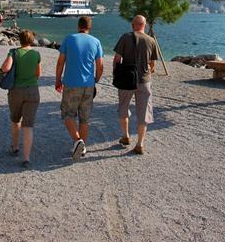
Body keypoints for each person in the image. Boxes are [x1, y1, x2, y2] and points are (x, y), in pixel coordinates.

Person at [55, 16, 104, 161]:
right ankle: (82, 149)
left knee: (67, 114)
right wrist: (96, 79)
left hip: (71, 83)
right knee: (85, 117)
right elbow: (100, 65)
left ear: (78, 26)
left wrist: (58, 80)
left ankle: (78, 141)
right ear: (90, 27)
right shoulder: (96, 42)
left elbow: (60, 62)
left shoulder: (69, 39)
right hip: (88, 85)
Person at [113, 15, 158, 155]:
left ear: (133, 25)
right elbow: (153, 64)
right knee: (143, 112)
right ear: (144, 25)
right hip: (144, 81)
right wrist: (146, 72)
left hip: (126, 80)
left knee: (123, 107)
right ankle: (140, 144)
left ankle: (126, 136)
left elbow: (117, 59)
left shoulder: (125, 37)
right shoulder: (151, 41)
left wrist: (116, 74)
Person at [0, 30, 42, 168]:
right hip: (32, 91)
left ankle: (15, 146)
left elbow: (6, 68)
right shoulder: (36, 54)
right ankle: (26, 158)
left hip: (16, 91)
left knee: (15, 119)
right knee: (28, 125)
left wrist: (0, 72)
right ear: (31, 40)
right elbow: (38, 73)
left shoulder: (13, 52)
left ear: (20, 39)